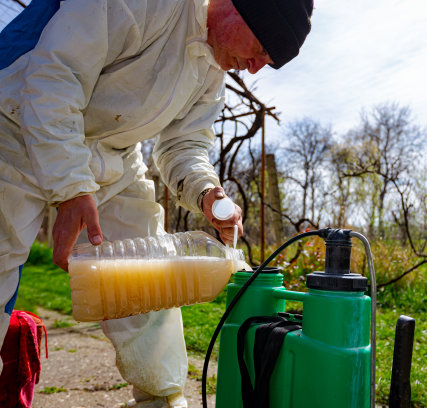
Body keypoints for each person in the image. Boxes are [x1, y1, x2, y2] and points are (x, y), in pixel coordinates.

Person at [0, 0, 313, 406]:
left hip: (112, 155)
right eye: (263, 50)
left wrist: (207, 190)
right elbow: (54, 79)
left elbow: (185, 144)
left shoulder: (211, 71)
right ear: (242, 9)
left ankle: (160, 398)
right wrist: (70, 189)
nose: (255, 68)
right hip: (16, 122)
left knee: (151, 272)